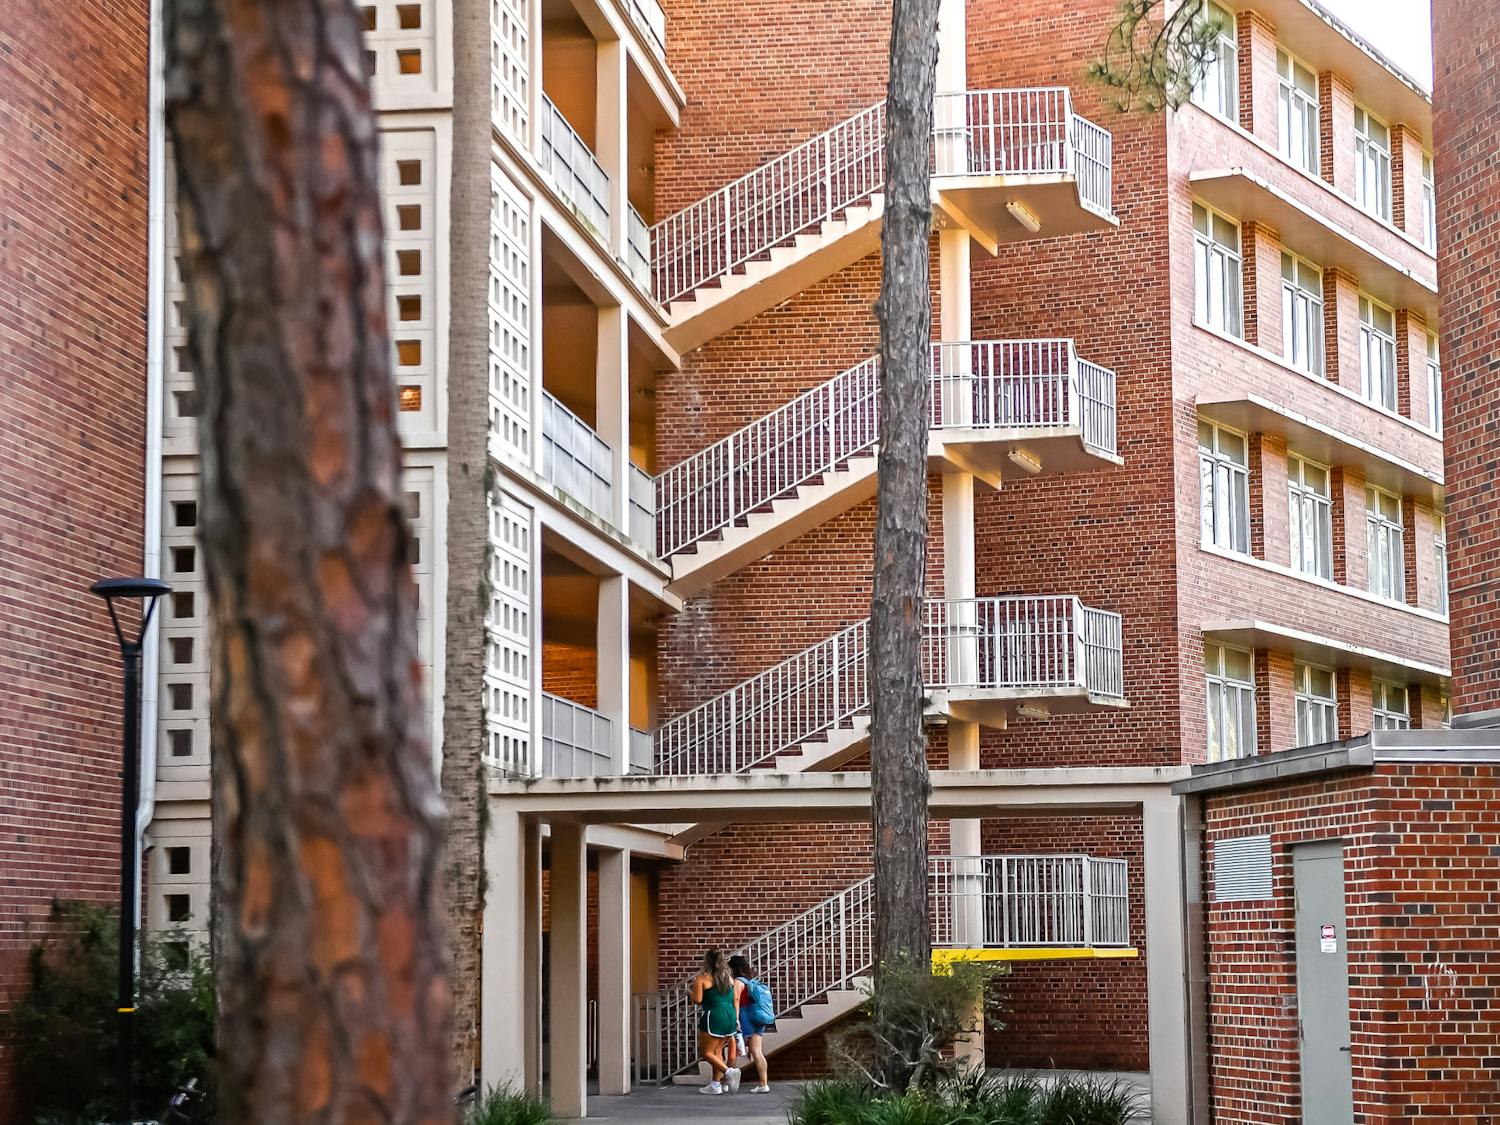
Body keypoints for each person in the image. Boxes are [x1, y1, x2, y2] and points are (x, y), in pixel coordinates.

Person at [690, 948, 741, 1094]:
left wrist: (691, 994)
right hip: (729, 1014)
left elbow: (698, 1000)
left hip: (714, 1015)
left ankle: (729, 1072)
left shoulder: (702, 978)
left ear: (707, 962)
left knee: (707, 1052)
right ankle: (715, 1084)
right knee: (718, 1051)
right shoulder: (729, 978)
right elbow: (734, 998)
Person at [729, 954, 773, 1093]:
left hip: (746, 1017)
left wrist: (735, 1020)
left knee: (735, 1051)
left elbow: (736, 1001)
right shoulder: (750, 981)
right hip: (759, 1016)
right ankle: (763, 1083)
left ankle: (726, 1081)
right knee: (757, 1051)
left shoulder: (737, 982)